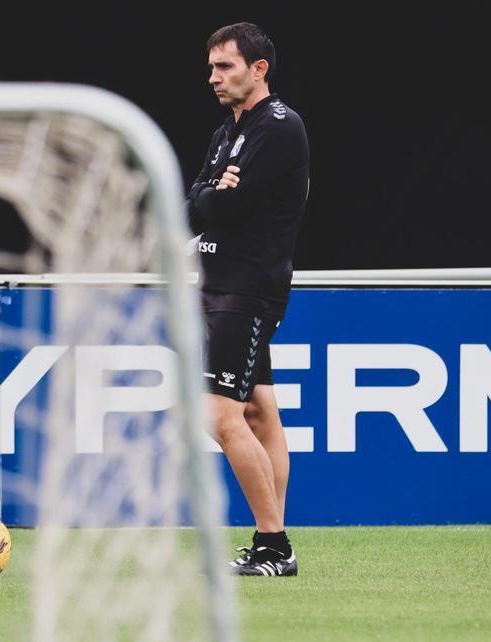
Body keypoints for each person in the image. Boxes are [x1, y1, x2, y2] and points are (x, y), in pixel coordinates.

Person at [185, 21, 309, 577]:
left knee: (218, 415)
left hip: (247, 287)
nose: (213, 77)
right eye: (212, 67)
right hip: (217, 284)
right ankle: (271, 542)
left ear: (258, 70)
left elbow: (225, 209)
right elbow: (197, 204)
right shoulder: (224, 133)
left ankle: (274, 545)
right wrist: (216, 192)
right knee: (259, 413)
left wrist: (215, 197)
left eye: (225, 66)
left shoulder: (279, 127)